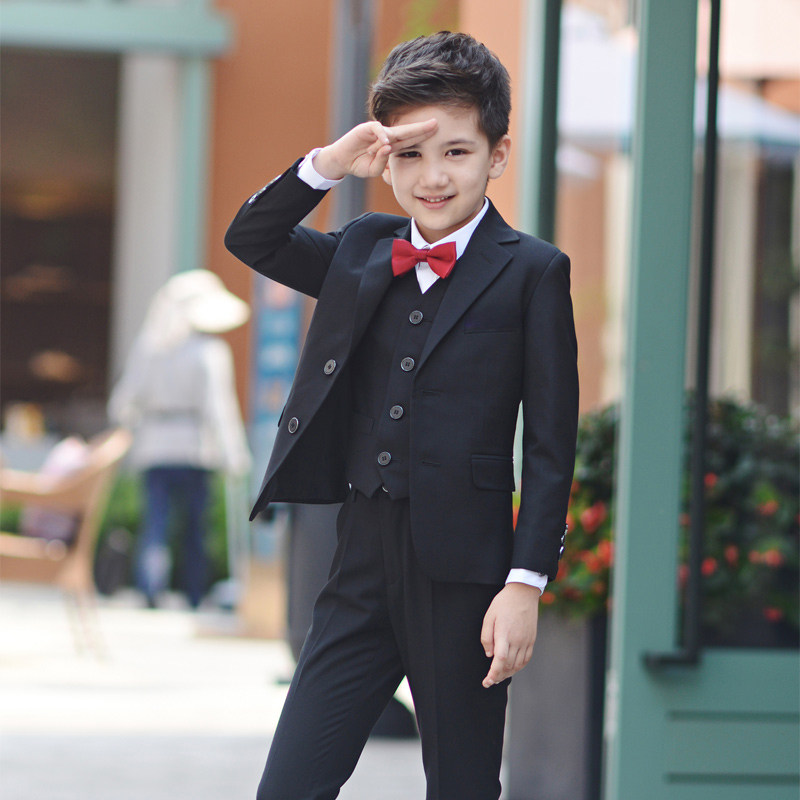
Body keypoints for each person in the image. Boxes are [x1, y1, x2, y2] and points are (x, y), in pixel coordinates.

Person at [225, 31, 578, 799]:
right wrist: (330, 161)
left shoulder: (534, 272)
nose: (432, 177)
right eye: (410, 155)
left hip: (469, 577)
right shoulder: (361, 248)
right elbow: (250, 236)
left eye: (456, 151)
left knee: (461, 786)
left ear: (498, 154)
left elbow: (552, 446)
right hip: (359, 563)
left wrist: (525, 584)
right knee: (288, 785)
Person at [109, 270, 252, 609]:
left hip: (155, 448)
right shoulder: (209, 352)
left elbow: (123, 403)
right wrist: (235, 454)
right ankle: (193, 594)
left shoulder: (150, 348)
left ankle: (151, 589)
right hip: (195, 449)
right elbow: (220, 409)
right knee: (194, 526)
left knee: (155, 522)